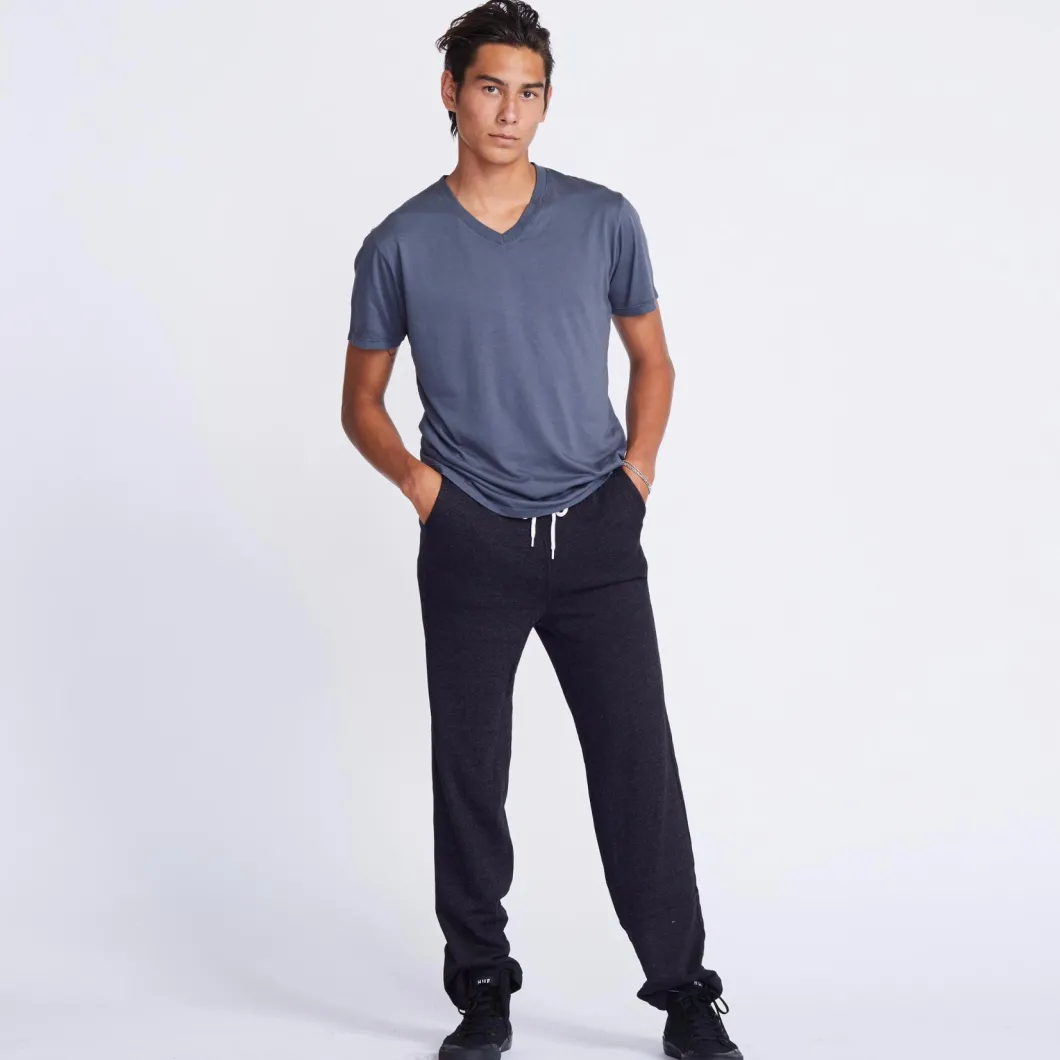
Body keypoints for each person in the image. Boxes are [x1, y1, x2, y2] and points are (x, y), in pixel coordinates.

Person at [340, 3, 743, 1057]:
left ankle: (683, 992)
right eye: (490, 88)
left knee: (636, 761)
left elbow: (653, 359)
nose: (509, 111)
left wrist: (637, 476)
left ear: (546, 102)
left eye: (529, 92)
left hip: (597, 535)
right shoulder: (399, 243)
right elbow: (361, 403)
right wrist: (425, 492)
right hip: (470, 541)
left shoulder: (603, 218)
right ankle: (481, 987)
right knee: (471, 770)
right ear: (452, 93)